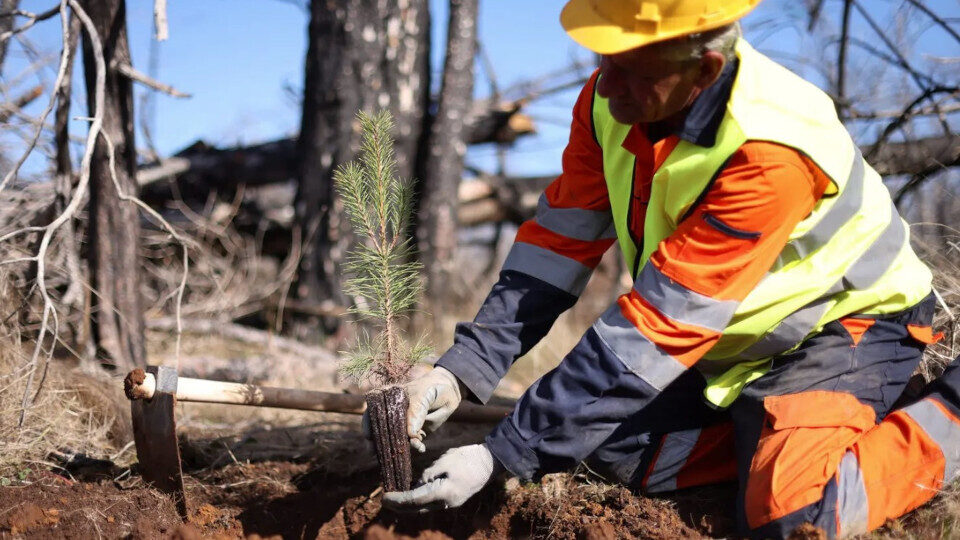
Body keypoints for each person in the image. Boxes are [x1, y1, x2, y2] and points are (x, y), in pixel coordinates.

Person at [380, 0, 957, 537]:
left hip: (847, 330)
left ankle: (945, 413)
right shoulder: (610, 101)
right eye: (604, 58)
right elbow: (556, 246)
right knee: (603, 449)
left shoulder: (770, 149)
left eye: (632, 68)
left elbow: (658, 327)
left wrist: (502, 452)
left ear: (704, 69)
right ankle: (772, 434)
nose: (607, 84)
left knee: (789, 515)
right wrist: (462, 369)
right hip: (731, 343)